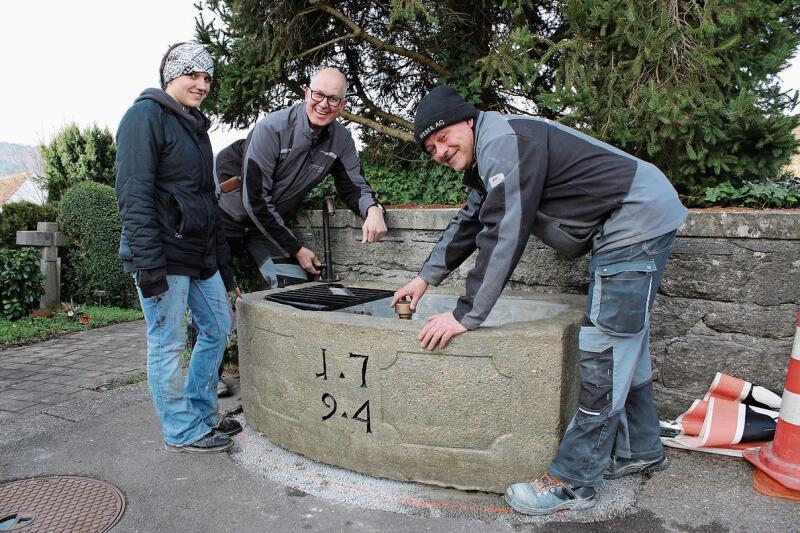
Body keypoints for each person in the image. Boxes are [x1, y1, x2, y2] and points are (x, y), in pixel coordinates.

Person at [391, 85, 688, 515]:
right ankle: (639, 449)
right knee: (626, 340)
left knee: (605, 346)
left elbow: (503, 231)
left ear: (468, 120)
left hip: (635, 218)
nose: (439, 150)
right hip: (631, 217)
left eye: (443, 137)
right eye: (430, 147)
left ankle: (574, 480)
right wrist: (425, 278)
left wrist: (465, 315)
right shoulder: (487, 156)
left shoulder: (503, 141)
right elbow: (472, 220)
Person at [115, 42, 242, 453]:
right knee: (167, 344)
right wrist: (148, 265)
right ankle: (181, 429)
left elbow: (206, 200)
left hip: (199, 257)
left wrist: (223, 263)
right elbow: (133, 195)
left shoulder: (194, 126)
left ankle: (202, 414)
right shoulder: (144, 116)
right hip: (162, 257)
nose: (202, 84)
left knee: (218, 327)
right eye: (192, 74)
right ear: (170, 75)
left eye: (207, 77)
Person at [214, 68, 387, 287]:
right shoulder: (272, 128)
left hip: (265, 227)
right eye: (318, 94)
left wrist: (373, 209)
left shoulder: (341, 140)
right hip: (223, 215)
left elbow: (353, 186)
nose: (324, 104)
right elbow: (255, 199)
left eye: (333, 99)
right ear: (306, 94)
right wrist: (296, 249)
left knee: (295, 288)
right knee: (214, 298)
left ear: (343, 105)